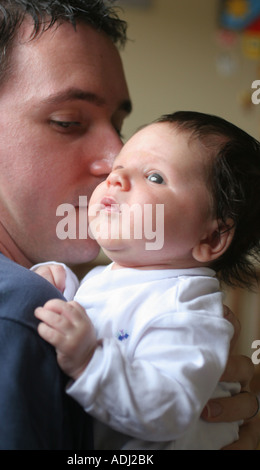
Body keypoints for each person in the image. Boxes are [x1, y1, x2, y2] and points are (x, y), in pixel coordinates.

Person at [0, 0, 258, 450]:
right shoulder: (5, 312)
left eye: (119, 125)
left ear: (214, 236)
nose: (113, 161)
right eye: (69, 121)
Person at [34, 111, 260, 449]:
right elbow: (102, 312)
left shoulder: (188, 309)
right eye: (117, 169)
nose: (116, 179)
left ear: (211, 238)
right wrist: (63, 285)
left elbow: (169, 409)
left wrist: (89, 362)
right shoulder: (112, 278)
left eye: (154, 177)